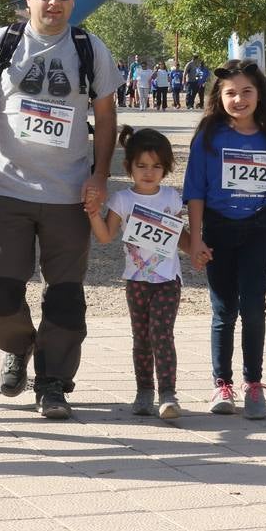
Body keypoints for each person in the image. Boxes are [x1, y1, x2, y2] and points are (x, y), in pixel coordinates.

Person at [0, 0, 123, 419]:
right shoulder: (3, 42)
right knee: (1, 289)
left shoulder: (90, 49)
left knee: (66, 294)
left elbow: (107, 116)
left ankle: (53, 381)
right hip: (10, 187)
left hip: (70, 193)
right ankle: (16, 348)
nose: (55, 2)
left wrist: (101, 174)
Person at [184, 59, 266, 420]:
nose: (239, 99)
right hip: (218, 229)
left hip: (257, 229)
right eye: (230, 93)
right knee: (224, 309)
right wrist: (195, 240)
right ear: (218, 97)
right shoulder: (208, 138)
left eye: (246, 91)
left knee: (253, 307)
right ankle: (222, 385)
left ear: (260, 95)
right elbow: (195, 192)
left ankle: (254, 385)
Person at [86, 126, 189, 420]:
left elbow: (179, 235)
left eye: (157, 166)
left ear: (166, 169)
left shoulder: (171, 198)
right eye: (141, 165)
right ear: (129, 166)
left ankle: (167, 393)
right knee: (141, 337)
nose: (148, 172)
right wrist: (94, 213)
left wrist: (197, 248)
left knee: (162, 334)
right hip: (135, 282)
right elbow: (106, 236)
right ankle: (144, 391)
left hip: (168, 281)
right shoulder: (122, 200)